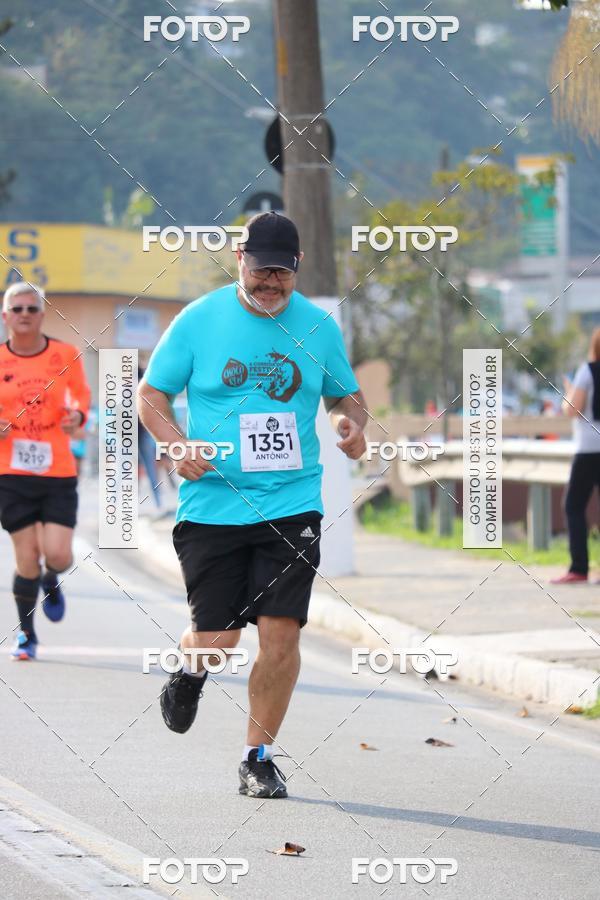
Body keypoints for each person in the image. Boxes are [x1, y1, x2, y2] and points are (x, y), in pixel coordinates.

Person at [138, 212, 367, 798]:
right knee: (218, 644)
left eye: (281, 274)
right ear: (239, 258)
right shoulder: (199, 320)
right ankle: (190, 669)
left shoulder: (317, 327)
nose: (271, 283)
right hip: (213, 505)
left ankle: (257, 757)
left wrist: (349, 423)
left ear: (296, 270)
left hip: (291, 505)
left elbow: (347, 395)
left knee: (281, 635)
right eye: (261, 270)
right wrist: (174, 443)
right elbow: (151, 393)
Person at [0, 282, 91, 659]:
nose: (24, 315)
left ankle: (52, 578)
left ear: (41, 314)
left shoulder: (65, 354)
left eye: (30, 309)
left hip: (57, 472)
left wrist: (77, 416)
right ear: (5, 316)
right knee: (26, 556)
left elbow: (81, 396)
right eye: (16, 309)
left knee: (56, 555)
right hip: (11, 472)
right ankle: (27, 636)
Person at [551, 327, 600, 584]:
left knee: (573, 506)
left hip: (590, 449)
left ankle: (579, 568)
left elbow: (573, 410)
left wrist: (568, 394)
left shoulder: (588, 371)